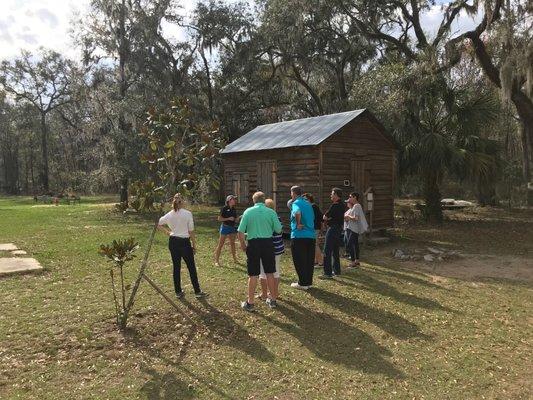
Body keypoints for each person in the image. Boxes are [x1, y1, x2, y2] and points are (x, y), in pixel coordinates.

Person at [238, 191, 282, 311]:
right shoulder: (271, 212)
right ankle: (273, 300)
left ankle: (250, 303)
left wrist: (242, 244)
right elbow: (278, 230)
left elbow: (240, 231)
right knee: (270, 272)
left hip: (253, 244)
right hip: (268, 243)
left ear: (254, 201)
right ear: (263, 201)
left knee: (253, 274)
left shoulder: (248, 211)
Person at [157, 193, 208, 298]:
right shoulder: (187, 214)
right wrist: (194, 245)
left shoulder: (169, 214)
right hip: (184, 243)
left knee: (176, 267)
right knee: (191, 267)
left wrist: (167, 232)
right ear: (183, 201)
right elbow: (191, 231)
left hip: (173, 242)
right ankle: (197, 291)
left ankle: (178, 291)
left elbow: (158, 223)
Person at [289, 186, 316, 290]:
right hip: (311, 235)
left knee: (300, 260)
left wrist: (299, 223)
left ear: (294, 193)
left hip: (299, 236)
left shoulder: (296, 203)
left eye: (291, 193)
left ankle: (302, 283)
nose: (291, 195)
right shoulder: (308, 203)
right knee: (309, 260)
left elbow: (297, 212)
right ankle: (308, 282)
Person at [258, 198, 284, 300]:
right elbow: (279, 231)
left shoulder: (265, 218)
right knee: (276, 271)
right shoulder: (277, 217)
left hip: (267, 248)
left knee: (263, 272)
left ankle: (265, 294)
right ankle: (275, 293)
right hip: (278, 248)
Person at [322, 187, 346, 278]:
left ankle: (327, 273)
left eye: (332, 194)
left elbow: (325, 217)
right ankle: (337, 271)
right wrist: (329, 218)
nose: (330, 195)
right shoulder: (342, 205)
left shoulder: (335, 205)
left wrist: (328, 218)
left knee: (327, 250)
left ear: (336, 195)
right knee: (335, 250)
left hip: (332, 229)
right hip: (339, 229)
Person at [214, 195, 240, 267]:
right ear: (229, 200)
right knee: (220, 244)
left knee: (233, 244)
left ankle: (235, 259)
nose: (235, 200)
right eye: (233, 199)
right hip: (225, 227)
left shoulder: (234, 209)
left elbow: (234, 219)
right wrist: (228, 218)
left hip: (232, 228)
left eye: (235, 199)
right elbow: (219, 219)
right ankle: (216, 261)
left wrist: (237, 218)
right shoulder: (224, 208)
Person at [344, 192, 368, 267]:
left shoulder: (357, 206)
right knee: (355, 244)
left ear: (355, 197)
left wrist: (348, 216)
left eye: (350, 197)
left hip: (354, 229)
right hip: (353, 228)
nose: (349, 198)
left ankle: (353, 262)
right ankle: (357, 260)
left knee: (350, 244)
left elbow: (356, 218)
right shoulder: (355, 206)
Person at [303, 193, 324, 268]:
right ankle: (315, 261)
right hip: (313, 228)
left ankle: (321, 262)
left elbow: (319, 217)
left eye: (306, 199)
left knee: (315, 244)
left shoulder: (313, 206)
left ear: (309, 199)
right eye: (303, 200)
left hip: (314, 228)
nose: (304, 201)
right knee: (313, 244)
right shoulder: (311, 206)